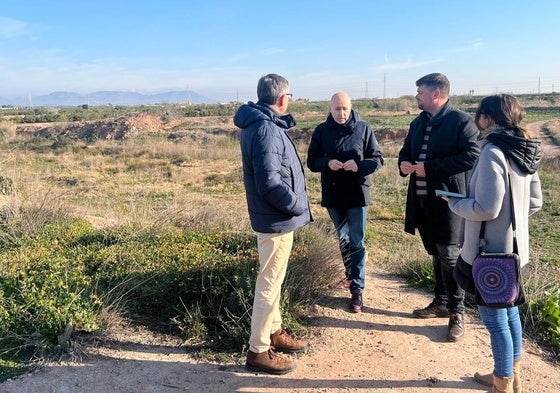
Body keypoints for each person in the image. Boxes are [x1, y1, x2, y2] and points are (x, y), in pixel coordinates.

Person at [444, 94, 542, 393]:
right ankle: (513, 373)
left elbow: (487, 208)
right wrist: (512, 223)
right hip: (515, 251)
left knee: (495, 318)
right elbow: (535, 202)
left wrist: (455, 204)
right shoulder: (526, 150)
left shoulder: (493, 152)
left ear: (487, 118)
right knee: (509, 311)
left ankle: (502, 382)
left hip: (490, 253)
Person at [233, 73, 311, 375]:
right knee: (268, 284)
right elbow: (270, 183)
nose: (290, 100)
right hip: (276, 219)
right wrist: (298, 203)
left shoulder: (262, 124)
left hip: (274, 218)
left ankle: (274, 331)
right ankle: (259, 350)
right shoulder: (265, 129)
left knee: (273, 281)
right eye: (289, 96)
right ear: (281, 98)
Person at [398, 73, 480, 342]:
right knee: (436, 251)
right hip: (422, 201)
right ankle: (441, 301)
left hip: (449, 202)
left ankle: (458, 311)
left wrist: (428, 168)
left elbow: (471, 156)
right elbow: (406, 150)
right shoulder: (418, 122)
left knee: (449, 253)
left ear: (436, 93)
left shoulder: (461, 122)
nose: (416, 96)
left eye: (420, 91)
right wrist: (404, 164)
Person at [307, 92, 384, 313]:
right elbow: (312, 161)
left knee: (357, 241)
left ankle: (357, 290)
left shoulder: (363, 128)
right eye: (337, 109)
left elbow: (378, 159)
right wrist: (327, 163)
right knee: (343, 239)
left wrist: (358, 165)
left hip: (357, 194)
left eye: (345, 109)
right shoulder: (322, 130)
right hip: (333, 195)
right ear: (330, 109)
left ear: (351, 108)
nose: (341, 113)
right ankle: (350, 278)